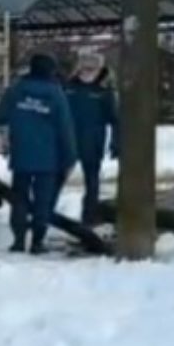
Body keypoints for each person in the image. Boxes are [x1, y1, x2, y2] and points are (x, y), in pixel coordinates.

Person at [0, 51, 77, 254]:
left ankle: (18, 240)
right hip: (49, 159)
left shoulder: (17, 90)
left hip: (22, 155)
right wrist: (70, 157)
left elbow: (0, 116)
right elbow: (65, 128)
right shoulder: (56, 94)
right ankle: (38, 242)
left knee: (19, 198)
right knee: (42, 201)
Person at [65, 51, 120, 225]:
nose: (87, 72)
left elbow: (116, 120)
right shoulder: (68, 88)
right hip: (68, 141)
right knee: (55, 178)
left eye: (92, 68)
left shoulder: (104, 92)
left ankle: (89, 215)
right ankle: (44, 213)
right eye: (84, 68)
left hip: (93, 142)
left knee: (92, 181)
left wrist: (116, 143)